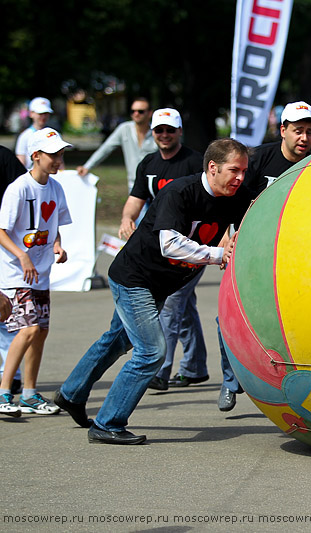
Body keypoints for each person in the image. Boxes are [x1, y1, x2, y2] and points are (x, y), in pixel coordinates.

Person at [54, 139, 251, 444]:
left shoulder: (234, 197)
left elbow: (242, 229)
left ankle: (71, 394)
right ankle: (107, 423)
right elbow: (168, 243)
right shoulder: (179, 192)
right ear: (212, 168)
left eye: (244, 171)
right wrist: (216, 254)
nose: (239, 177)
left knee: (117, 341)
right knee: (151, 352)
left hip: (161, 284)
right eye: (233, 170)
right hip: (134, 278)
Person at [218, 102, 311, 412]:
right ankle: (229, 380)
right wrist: (225, 237)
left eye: (310, 132)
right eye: (298, 130)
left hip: (295, 253)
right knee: (229, 315)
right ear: (283, 130)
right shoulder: (259, 158)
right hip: (251, 246)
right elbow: (229, 196)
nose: (304, 137)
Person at [118, 108, 206, 391]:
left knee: (170, 304)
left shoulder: (194, 162)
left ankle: (161, 370)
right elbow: (136, 198)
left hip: (189, 245)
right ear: (153, 133)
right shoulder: (148, 163)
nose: (164, 135)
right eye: (159, 130)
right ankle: (194, 367)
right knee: (184, 306)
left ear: (180, 131)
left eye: (170, 130)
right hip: (159, 246)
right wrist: (127, 218)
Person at [0, 128, 72, 417]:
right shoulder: (19, 188)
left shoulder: (55, 188)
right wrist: (22, 257)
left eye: (60, 154)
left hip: (41, 272)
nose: (58, 159)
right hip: (17, 274)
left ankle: (29, 393)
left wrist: (57, 247)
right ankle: (5, 390)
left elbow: (53, 226)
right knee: (27, 329)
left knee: (41, 331)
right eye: (53, 154)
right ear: (36, 155)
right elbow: (2, 231)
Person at [77, 97, 157, 192]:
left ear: (150, 113)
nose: (136, 114)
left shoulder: (158, 132)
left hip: (155, 184)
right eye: (133, 111)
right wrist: (87, 166)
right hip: (134, 185)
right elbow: (105, 148)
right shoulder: (124, 129)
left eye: (141, 111)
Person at [0, 146, 26, 395]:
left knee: (5, 310)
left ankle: (11, 373)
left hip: (4, 241)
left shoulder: (4, 158)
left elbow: (23, 193)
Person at [15, 97, 56, 170]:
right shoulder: (24, 136)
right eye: (40, 113)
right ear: (31, 114)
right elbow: (21, 160)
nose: (43, 116)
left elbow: (60, 159)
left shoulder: (54, 134)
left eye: (46, 113)